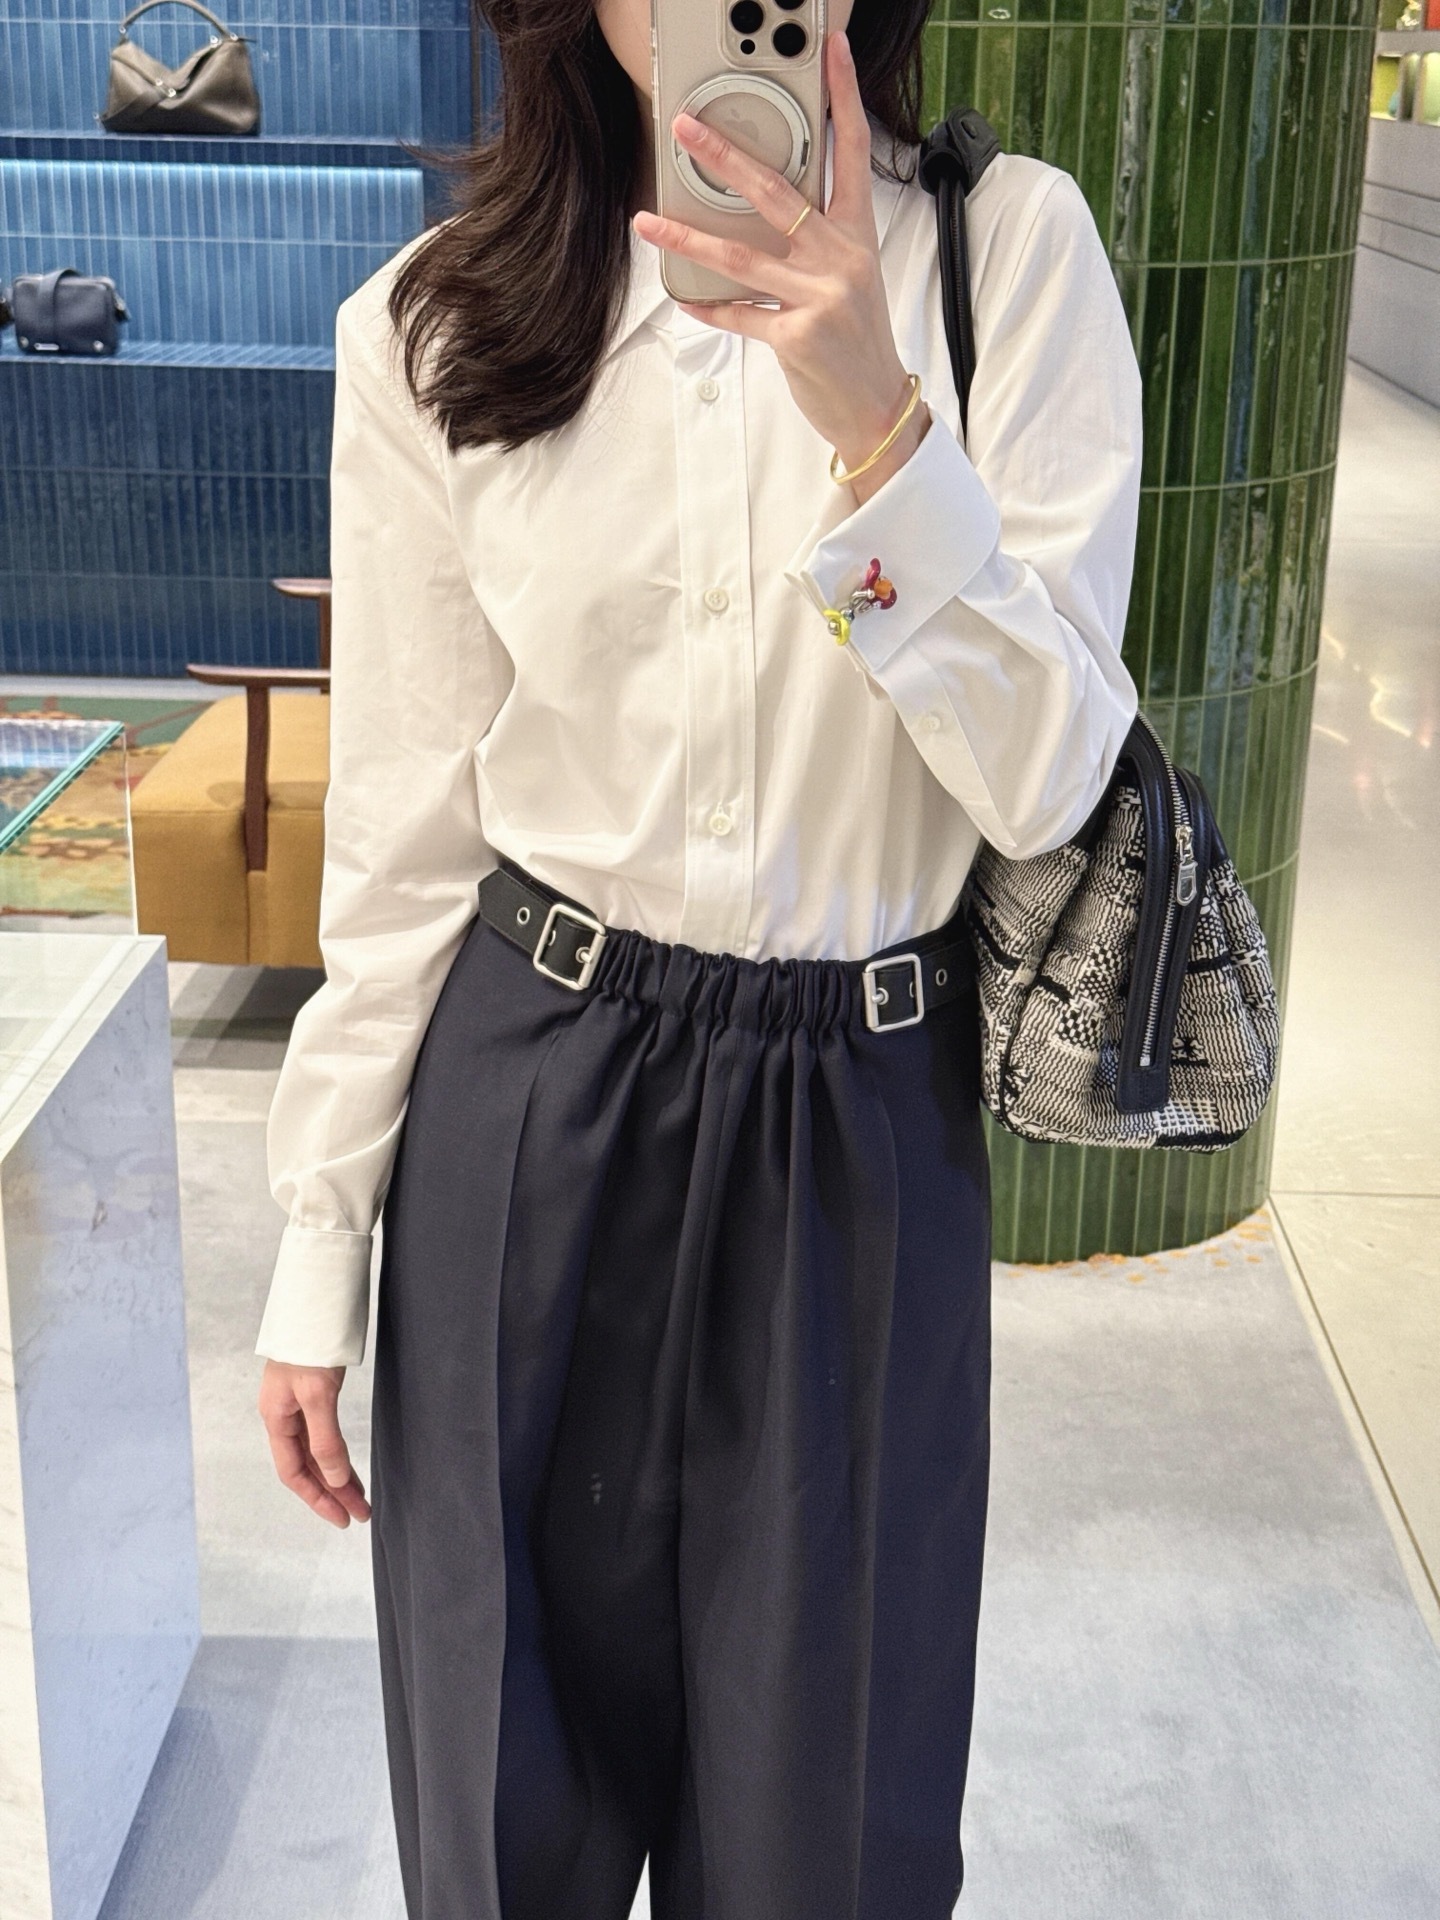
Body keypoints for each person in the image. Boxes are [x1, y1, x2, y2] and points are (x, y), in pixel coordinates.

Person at [254, 1, 1143, 1915]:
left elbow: (1052, 779)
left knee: (833, 1837)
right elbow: (404, 838)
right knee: (505, 1829)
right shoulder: (435, 319)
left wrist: (880, 432)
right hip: (530, 1101)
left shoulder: (1009, 261)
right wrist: (320, 1239)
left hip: (858, 1127)